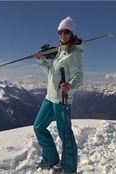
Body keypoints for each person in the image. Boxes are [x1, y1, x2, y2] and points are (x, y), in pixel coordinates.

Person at [33, 16, 83, 173]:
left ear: (72, 34)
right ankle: (52, 160)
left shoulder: (73, 53)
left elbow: (79, 77)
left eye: (66, 32)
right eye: (60, 32)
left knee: (66, 136)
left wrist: (70, 86)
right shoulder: (59, 52)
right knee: (38, 127)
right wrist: (42, 61)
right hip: (50, 97)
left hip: (62, 100)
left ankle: (69, 169)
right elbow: (51, 73)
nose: (62, 35)